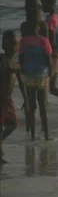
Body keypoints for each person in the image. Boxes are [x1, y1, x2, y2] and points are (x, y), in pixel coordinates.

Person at [18, 0, 53, 141]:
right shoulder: (43, 26)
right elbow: (47, 51)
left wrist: (22, 68)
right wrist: (49, 69)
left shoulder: (24, 26)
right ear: (38, 6)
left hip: (28, 73)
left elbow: (22, 52)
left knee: (31, 107)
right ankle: (47, 136)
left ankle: (32, 136)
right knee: (43, 106)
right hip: (41, 74)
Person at [0, 30, 29, 163]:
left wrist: (26, 99)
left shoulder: (15, 63)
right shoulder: (2, 59)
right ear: (3, 45)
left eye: (14, 43)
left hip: (8, 100)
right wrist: (12, 70)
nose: (12, 46)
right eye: (8, 43)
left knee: (13, 125)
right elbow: (5, 69)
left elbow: (21, 83)